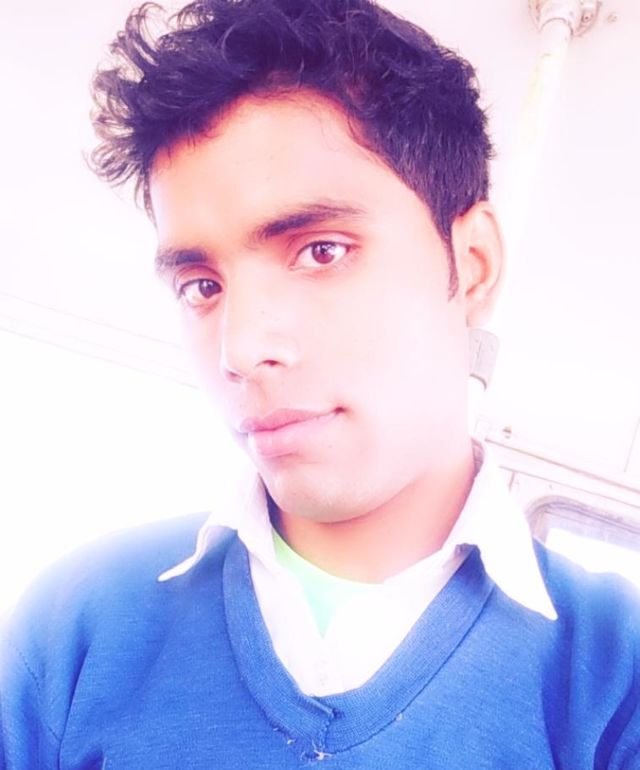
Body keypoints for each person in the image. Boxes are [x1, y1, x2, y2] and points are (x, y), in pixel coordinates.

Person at [1, 0, 639, 767]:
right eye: (202, 286)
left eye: (322, 251)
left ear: (471, 266)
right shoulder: (78, 626)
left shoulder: (614, 681)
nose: (242, 348)